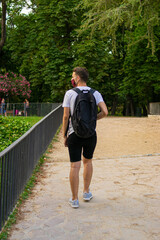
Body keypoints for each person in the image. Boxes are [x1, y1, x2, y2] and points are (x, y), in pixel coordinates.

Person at [62, 67, 108, 208]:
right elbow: (105, 112)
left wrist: (65, 134)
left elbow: (65, 116)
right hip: (90, 133)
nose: (72, 78)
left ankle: (74, 199)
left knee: (75, 166)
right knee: (88, 162)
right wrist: (92, 120)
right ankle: (86, 193)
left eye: (72, 76)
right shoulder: (95, 93)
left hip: (74, 133)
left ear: (77, 78)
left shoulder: (70, 93)